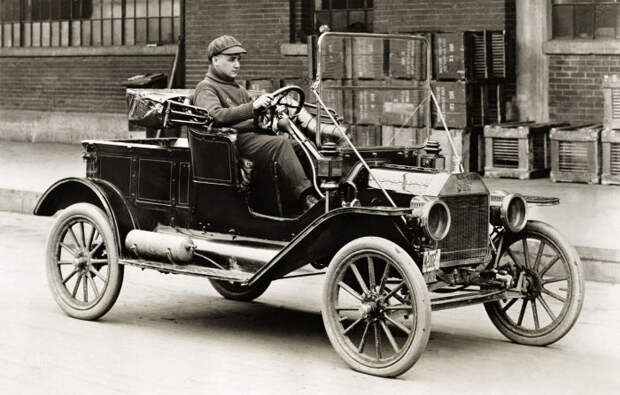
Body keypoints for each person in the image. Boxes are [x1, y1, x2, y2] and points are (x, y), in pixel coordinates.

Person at [193, 35, 318, 211]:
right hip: (231, 143)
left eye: (238, 60)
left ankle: (317, 193)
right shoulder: (206, 88)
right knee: (280, 144)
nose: (237, 65)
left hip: (250, 138)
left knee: (301, 146)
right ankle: (307, 198)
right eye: (231, 60)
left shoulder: (238, 89)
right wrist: (253, 107)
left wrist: (268, 118)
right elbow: (215, 116)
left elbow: (251, 119)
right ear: (215, 60)